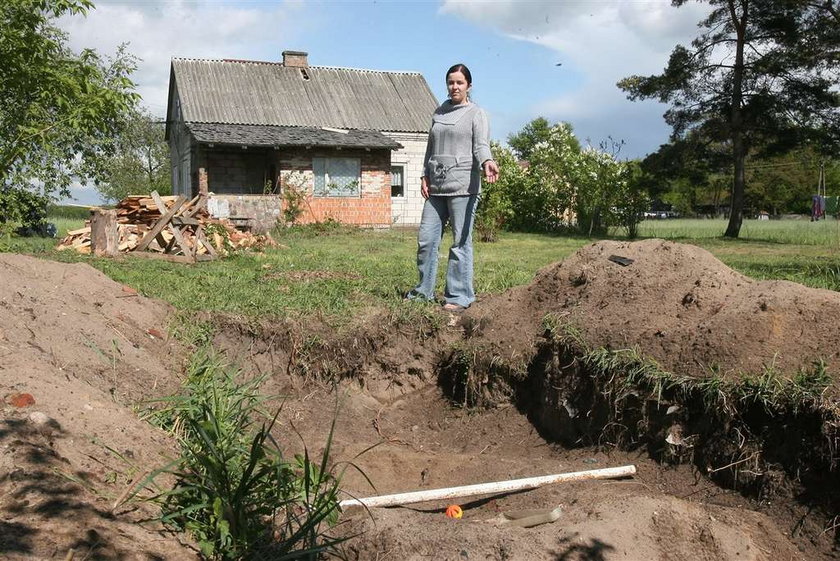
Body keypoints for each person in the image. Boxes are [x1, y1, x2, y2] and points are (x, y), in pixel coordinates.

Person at [406, 63, 500, 312]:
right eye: (450, 82)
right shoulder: (438, 112)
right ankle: (422, 292)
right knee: (426, 240)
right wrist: (424, 175)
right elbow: (431, 149)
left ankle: (458, 296)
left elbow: (481, 145)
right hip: (436, 188)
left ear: (469, 85)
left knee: (460, 243)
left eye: (459, 82)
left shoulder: (476, 114)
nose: (454, 86)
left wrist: (487, 161)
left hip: (463, 188)